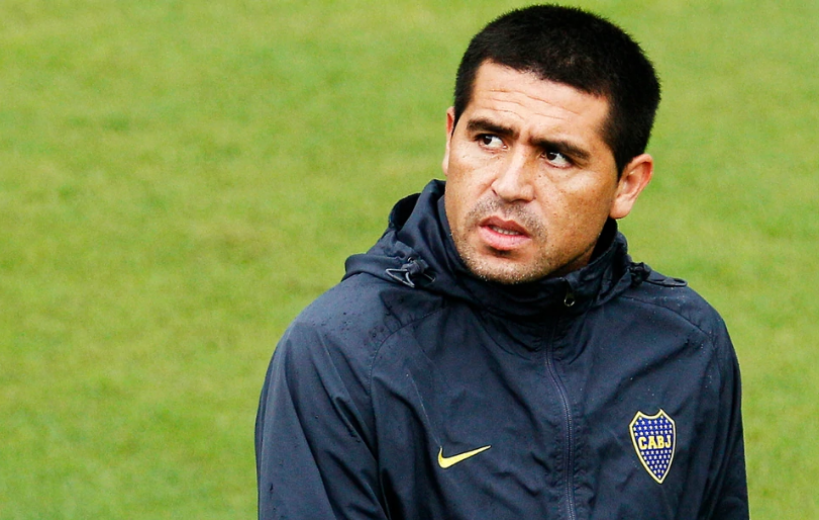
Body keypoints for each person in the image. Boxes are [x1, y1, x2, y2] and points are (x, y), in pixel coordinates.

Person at [255, 5, 748, 519]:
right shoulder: (345, 353)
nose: (510, 185)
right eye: (488, 139)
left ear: (627, 184)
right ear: (450, 138)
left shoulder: (686, 344)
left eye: (556, 155)